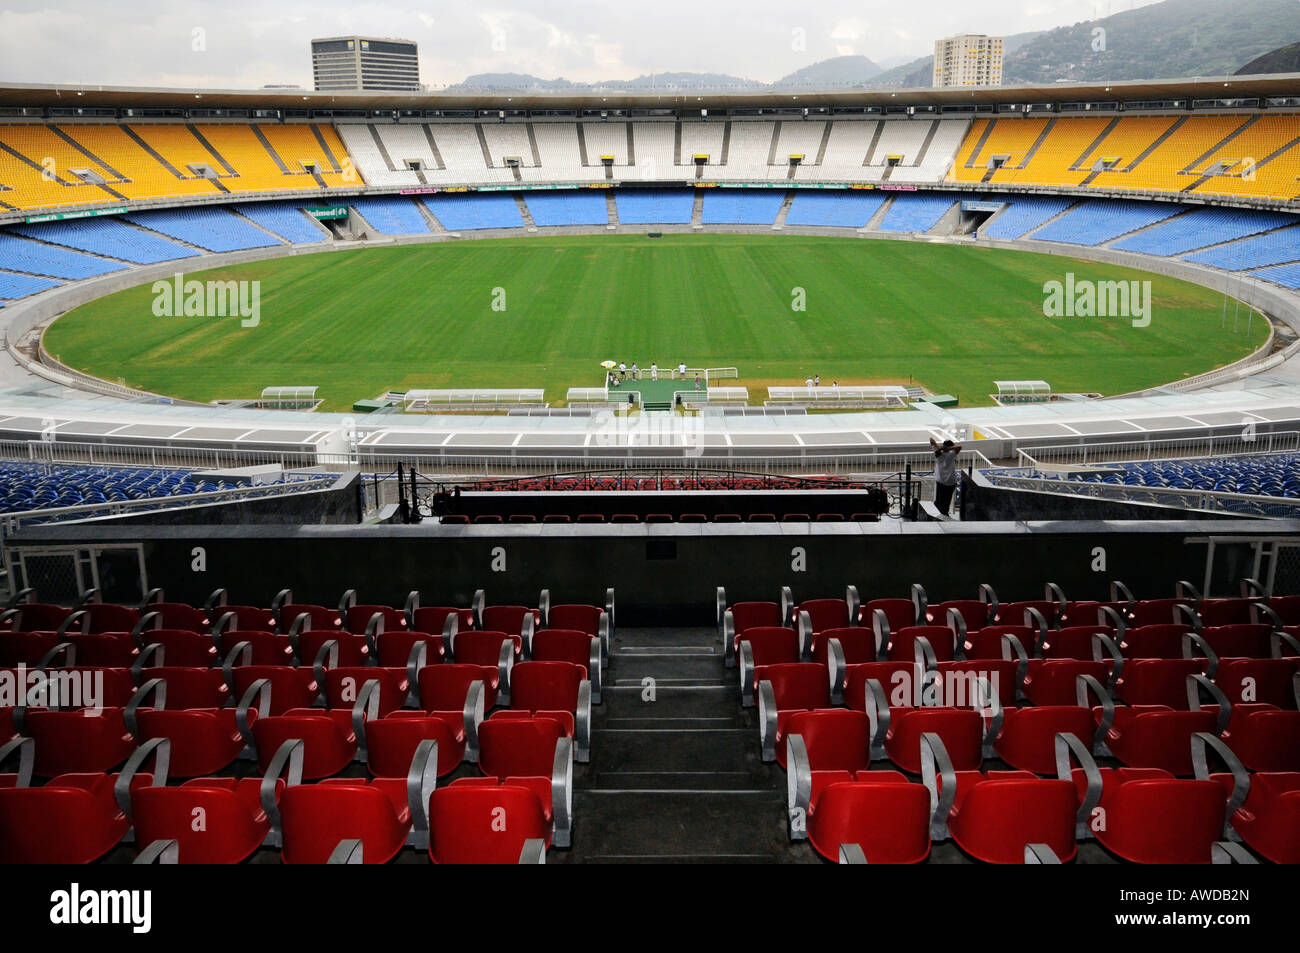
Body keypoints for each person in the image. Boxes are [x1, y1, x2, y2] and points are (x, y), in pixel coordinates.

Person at [930, 436, 963, 516]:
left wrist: (941, 448)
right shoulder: (952, 454)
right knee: (946, 502)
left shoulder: (938, 454)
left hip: (941, 482)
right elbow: (959, 447)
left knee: (939, 502)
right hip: (951, 482)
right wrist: (948, 448)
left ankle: (940, 516)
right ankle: (944, 515)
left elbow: (931, 440)